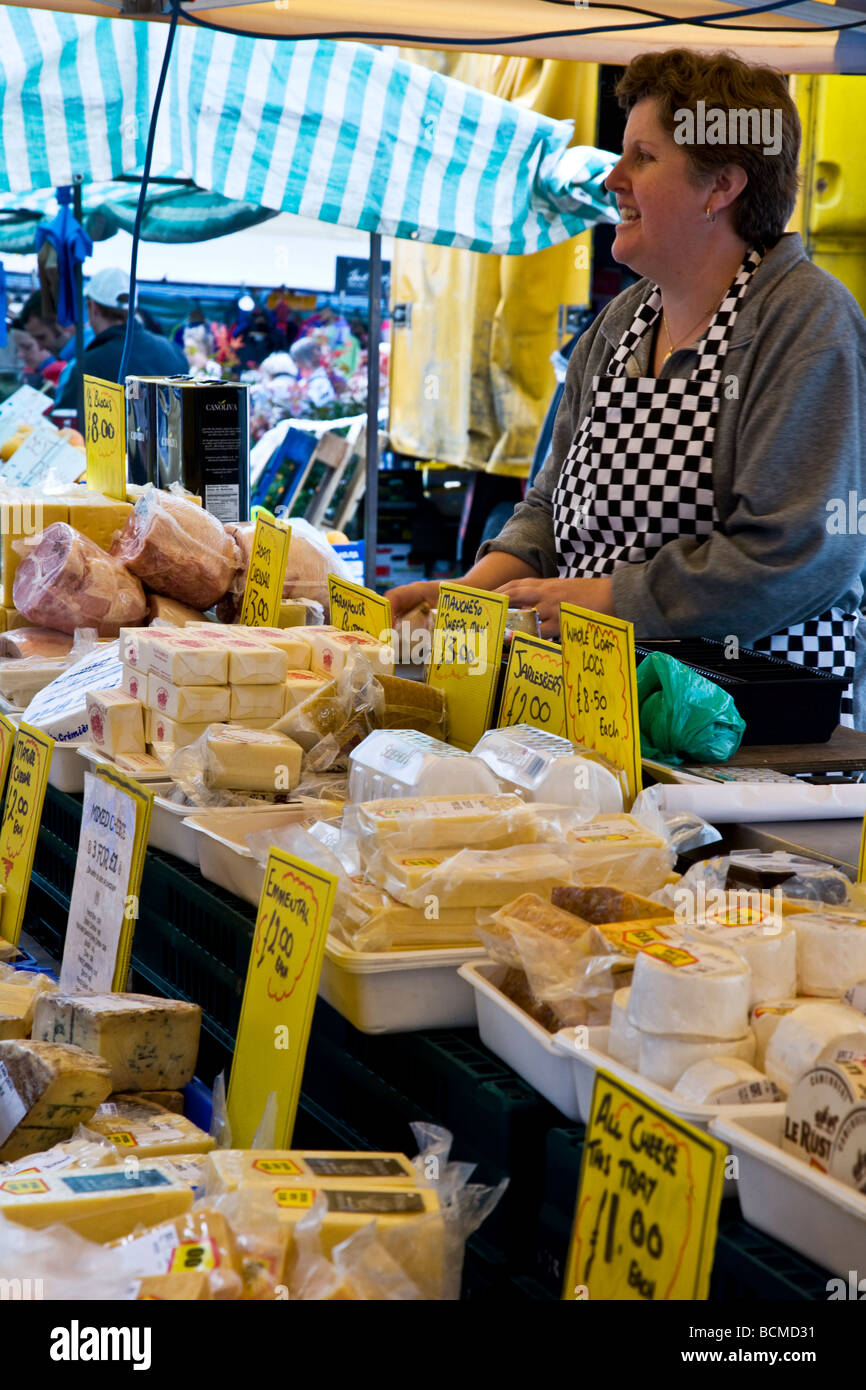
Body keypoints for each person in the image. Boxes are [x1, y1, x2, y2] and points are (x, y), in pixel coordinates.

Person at [388, 48, 866, 727]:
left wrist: (610, 599)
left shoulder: (804, 322)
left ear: (720, 186)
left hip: (754, 738)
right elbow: (549, 508)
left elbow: (799, 552)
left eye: (642, 157)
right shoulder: (621, 322)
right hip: (600, 714)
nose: (613, 178)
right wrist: (469, 595)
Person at [54, 268, 187, 412]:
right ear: (134, 308)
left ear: (93, 307)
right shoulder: (174, 351)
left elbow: (69, 425)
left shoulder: (89, 364)